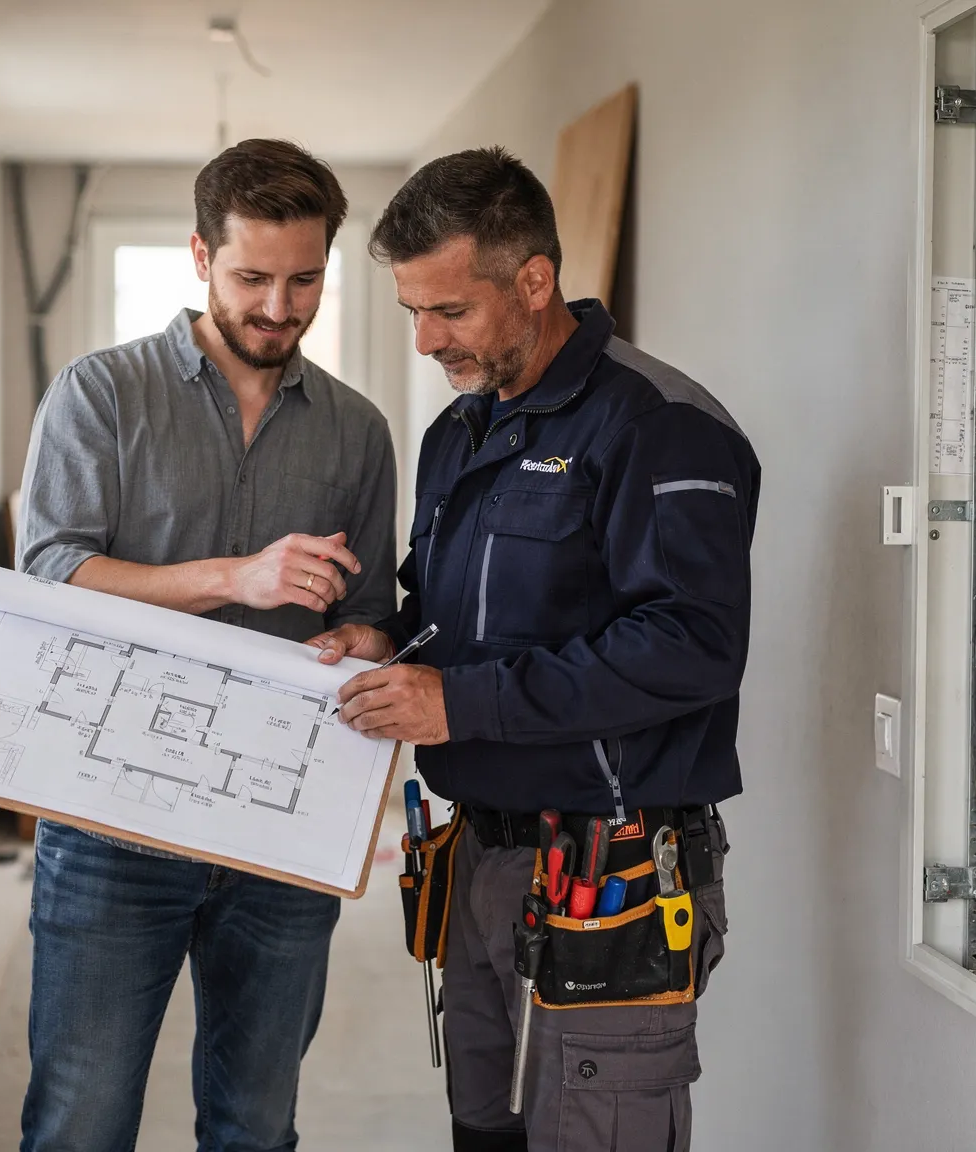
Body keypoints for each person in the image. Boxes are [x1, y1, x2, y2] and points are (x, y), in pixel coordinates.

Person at [308, 147, 759, 1152]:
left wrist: (460, 705)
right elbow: (456, 611)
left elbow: (691, 647)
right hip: (480, 854)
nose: (424, 339)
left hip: (614, 863)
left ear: (534, 280)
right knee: (485, 1132)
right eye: (410, 312)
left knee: (590, 1132)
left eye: (449, 311)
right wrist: (381, 638)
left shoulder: (660, 426)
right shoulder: (460, 433)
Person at [13, 138, 398, 1152]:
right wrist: (238, 576)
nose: (279, 307)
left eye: (304, 279)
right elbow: (49, 578)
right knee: (78, 1125)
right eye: (251, 279)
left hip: (283, 829)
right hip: (109, 826)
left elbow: (370, 615)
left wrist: (363, 637)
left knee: (255, 1126)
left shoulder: (356, 432)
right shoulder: (99, 395)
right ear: (198, 256)